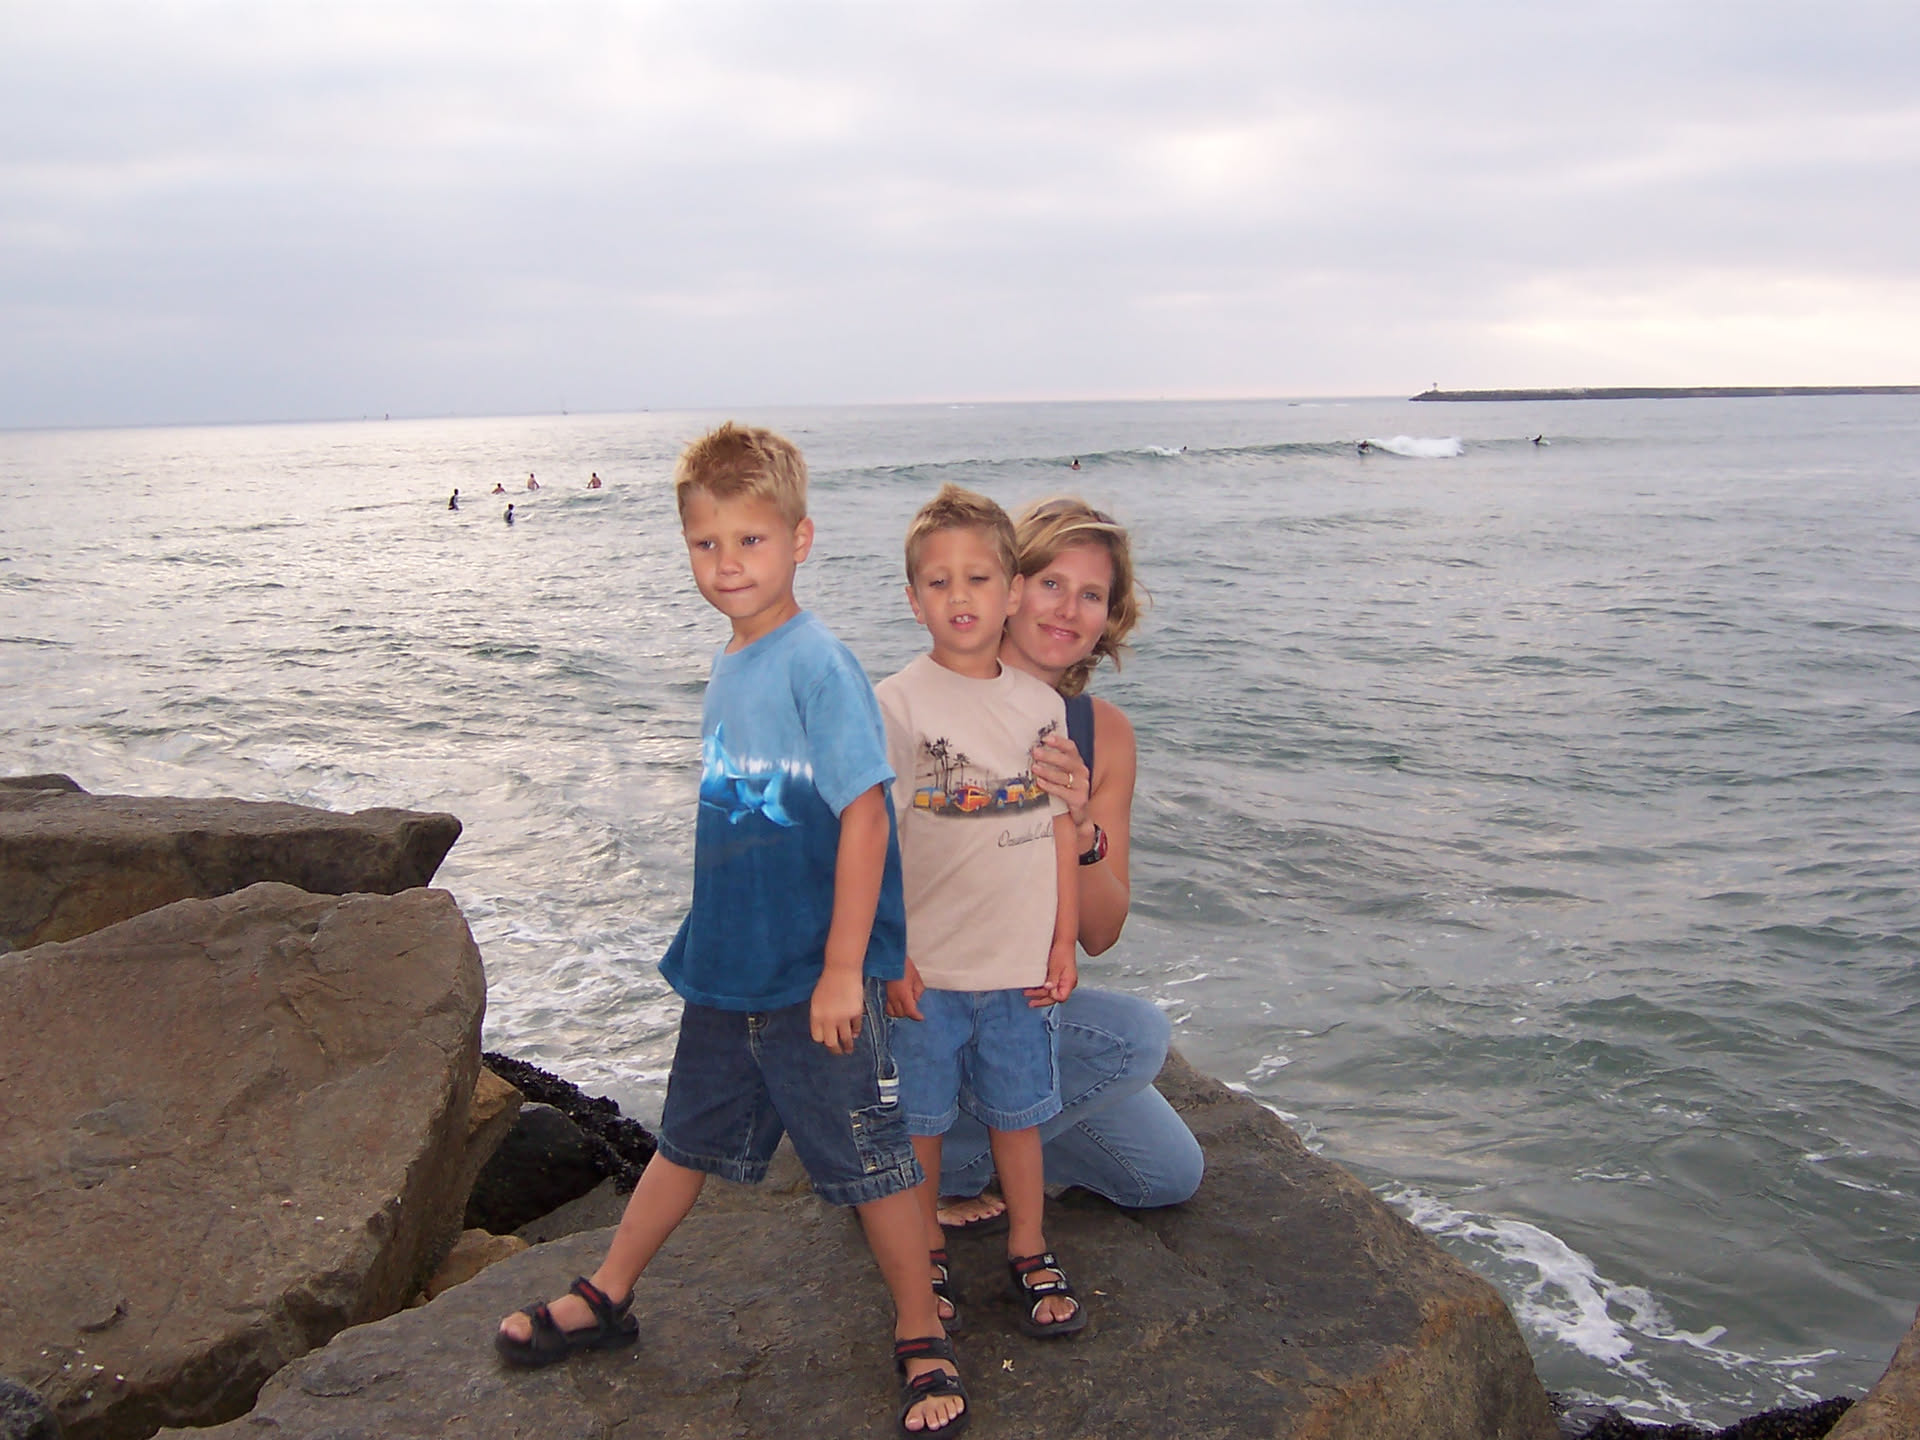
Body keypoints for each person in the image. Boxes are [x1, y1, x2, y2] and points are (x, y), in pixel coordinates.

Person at [495, 424, 968, 1436]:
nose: (727, 564)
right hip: (731, 966)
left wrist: (849, 967)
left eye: (750, 540)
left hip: (810, 975)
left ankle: (921, 1328)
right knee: (686, 1140)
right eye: (706, 544)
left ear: (800, 540)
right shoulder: (736, 658)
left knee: (871, 1163)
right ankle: (609, 1293)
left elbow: (868, 817)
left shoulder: (817, 664)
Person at [934, 497, 1204, 1227]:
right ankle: (925, 1168)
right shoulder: (933, 708)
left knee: (1164, 1175)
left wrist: (1079, 827)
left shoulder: (1101, 732)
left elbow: (1101, 932)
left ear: (1107, 617)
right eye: (1052, 583)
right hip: (929, 1006)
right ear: (1009, 587)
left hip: (1025, 1008)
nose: (1068, 610)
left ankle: (983, 1139)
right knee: (1135, 1037)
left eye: (1091, 595)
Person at [878, 484, 1088, 1342]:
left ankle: (1028, 1243)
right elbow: (872, 843)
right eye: (939, 582)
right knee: (920, 1125)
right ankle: (923, 1248)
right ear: (913, 598)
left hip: (1019, 970)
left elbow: (1059, 828)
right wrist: (890, 954)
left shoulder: (1042, 706)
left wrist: (1063, 940)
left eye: (978, 579)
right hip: (928, 971)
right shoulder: (896, 703)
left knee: (1020, 1117)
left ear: (1012, 593)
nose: (959, 597)